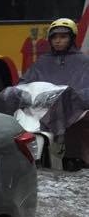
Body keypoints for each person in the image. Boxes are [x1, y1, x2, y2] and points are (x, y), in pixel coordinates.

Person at [7, 18, 89, 170]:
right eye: (54, 37)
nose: (58, 41)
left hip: (73, 107)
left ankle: (75, 157)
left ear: (71, 39)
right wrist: (18, 91)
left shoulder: (83, 62)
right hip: (42, 104)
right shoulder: (43, 60)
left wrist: (73, 97)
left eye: (63, 37)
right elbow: (26, 81)